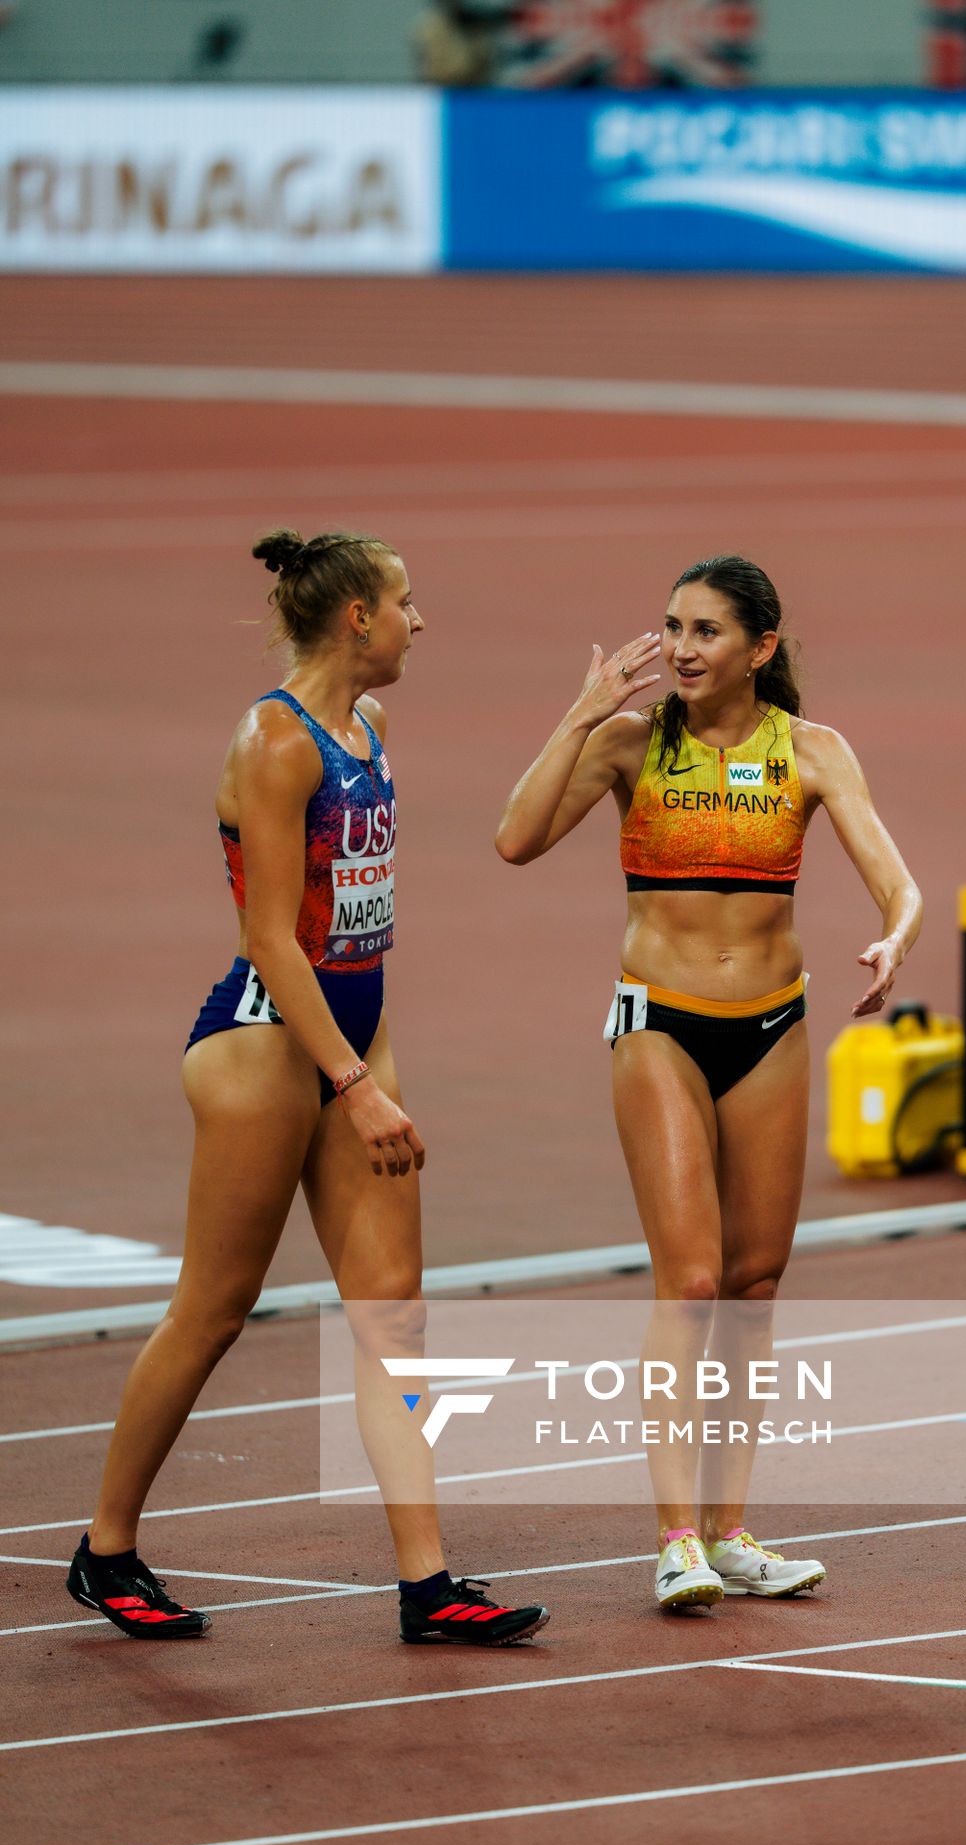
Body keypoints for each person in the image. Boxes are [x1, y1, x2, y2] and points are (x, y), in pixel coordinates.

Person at [67, 529, 548, 1648]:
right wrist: (352, 1081)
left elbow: (352, 930)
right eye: (407, 603)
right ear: (357, 620)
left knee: (393, 1315)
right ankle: (105, 1547)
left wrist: (370, 1066)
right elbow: (272, 941)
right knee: (214, 1309)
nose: (421, 622)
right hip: (266, 1045)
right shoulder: (273, 745)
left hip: (352, 1033)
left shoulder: (366, 727)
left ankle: (428, 1585)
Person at [496, 554, 922, 1610]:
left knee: (753, 1286)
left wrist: (894, 940)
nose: (680, 649)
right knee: (688, 1284)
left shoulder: (811, 752)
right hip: (660, 1024)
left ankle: (730, 1532)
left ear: (759, 649)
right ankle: (672, 1539)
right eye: (672, 627)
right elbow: (513, 841)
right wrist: (579, 713)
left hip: (772, 1026)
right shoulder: (629, 745)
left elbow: (897, 882)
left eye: (705, 632)